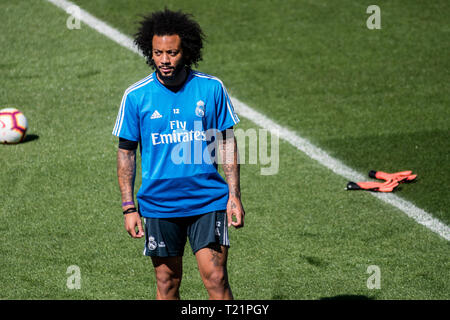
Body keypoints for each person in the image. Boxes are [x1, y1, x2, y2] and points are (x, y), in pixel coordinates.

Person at [112, 9, 245, 300]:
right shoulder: (136, 96)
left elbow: (227, 143)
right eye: (158, 53)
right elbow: (126, 154)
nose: (164, 60)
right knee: (167, 282)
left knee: (216, 278)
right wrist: (128, 207)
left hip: (208, 200)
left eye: (172, 52)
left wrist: (234, 194)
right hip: (159, 205)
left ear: (186, 51)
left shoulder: (211, 88)